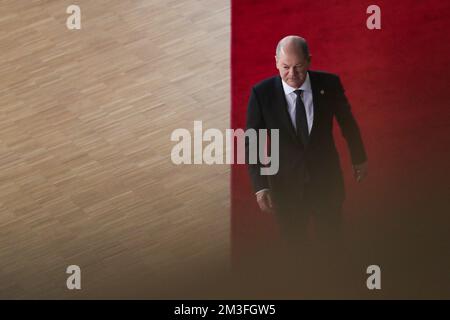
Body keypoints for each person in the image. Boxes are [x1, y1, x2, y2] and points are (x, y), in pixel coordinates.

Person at [245, 35, 368, 254]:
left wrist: (358, 158)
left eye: (298, 67)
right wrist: (260, 185)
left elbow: (347, 123)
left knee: (333, 246)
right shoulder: (261, 93)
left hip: (326, 183)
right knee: (294, 251)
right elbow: (251, 141)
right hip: (285, 188)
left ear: (309, 60)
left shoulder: (329, 84)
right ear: (275, 62)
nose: (292, 75)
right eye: (285, 67)